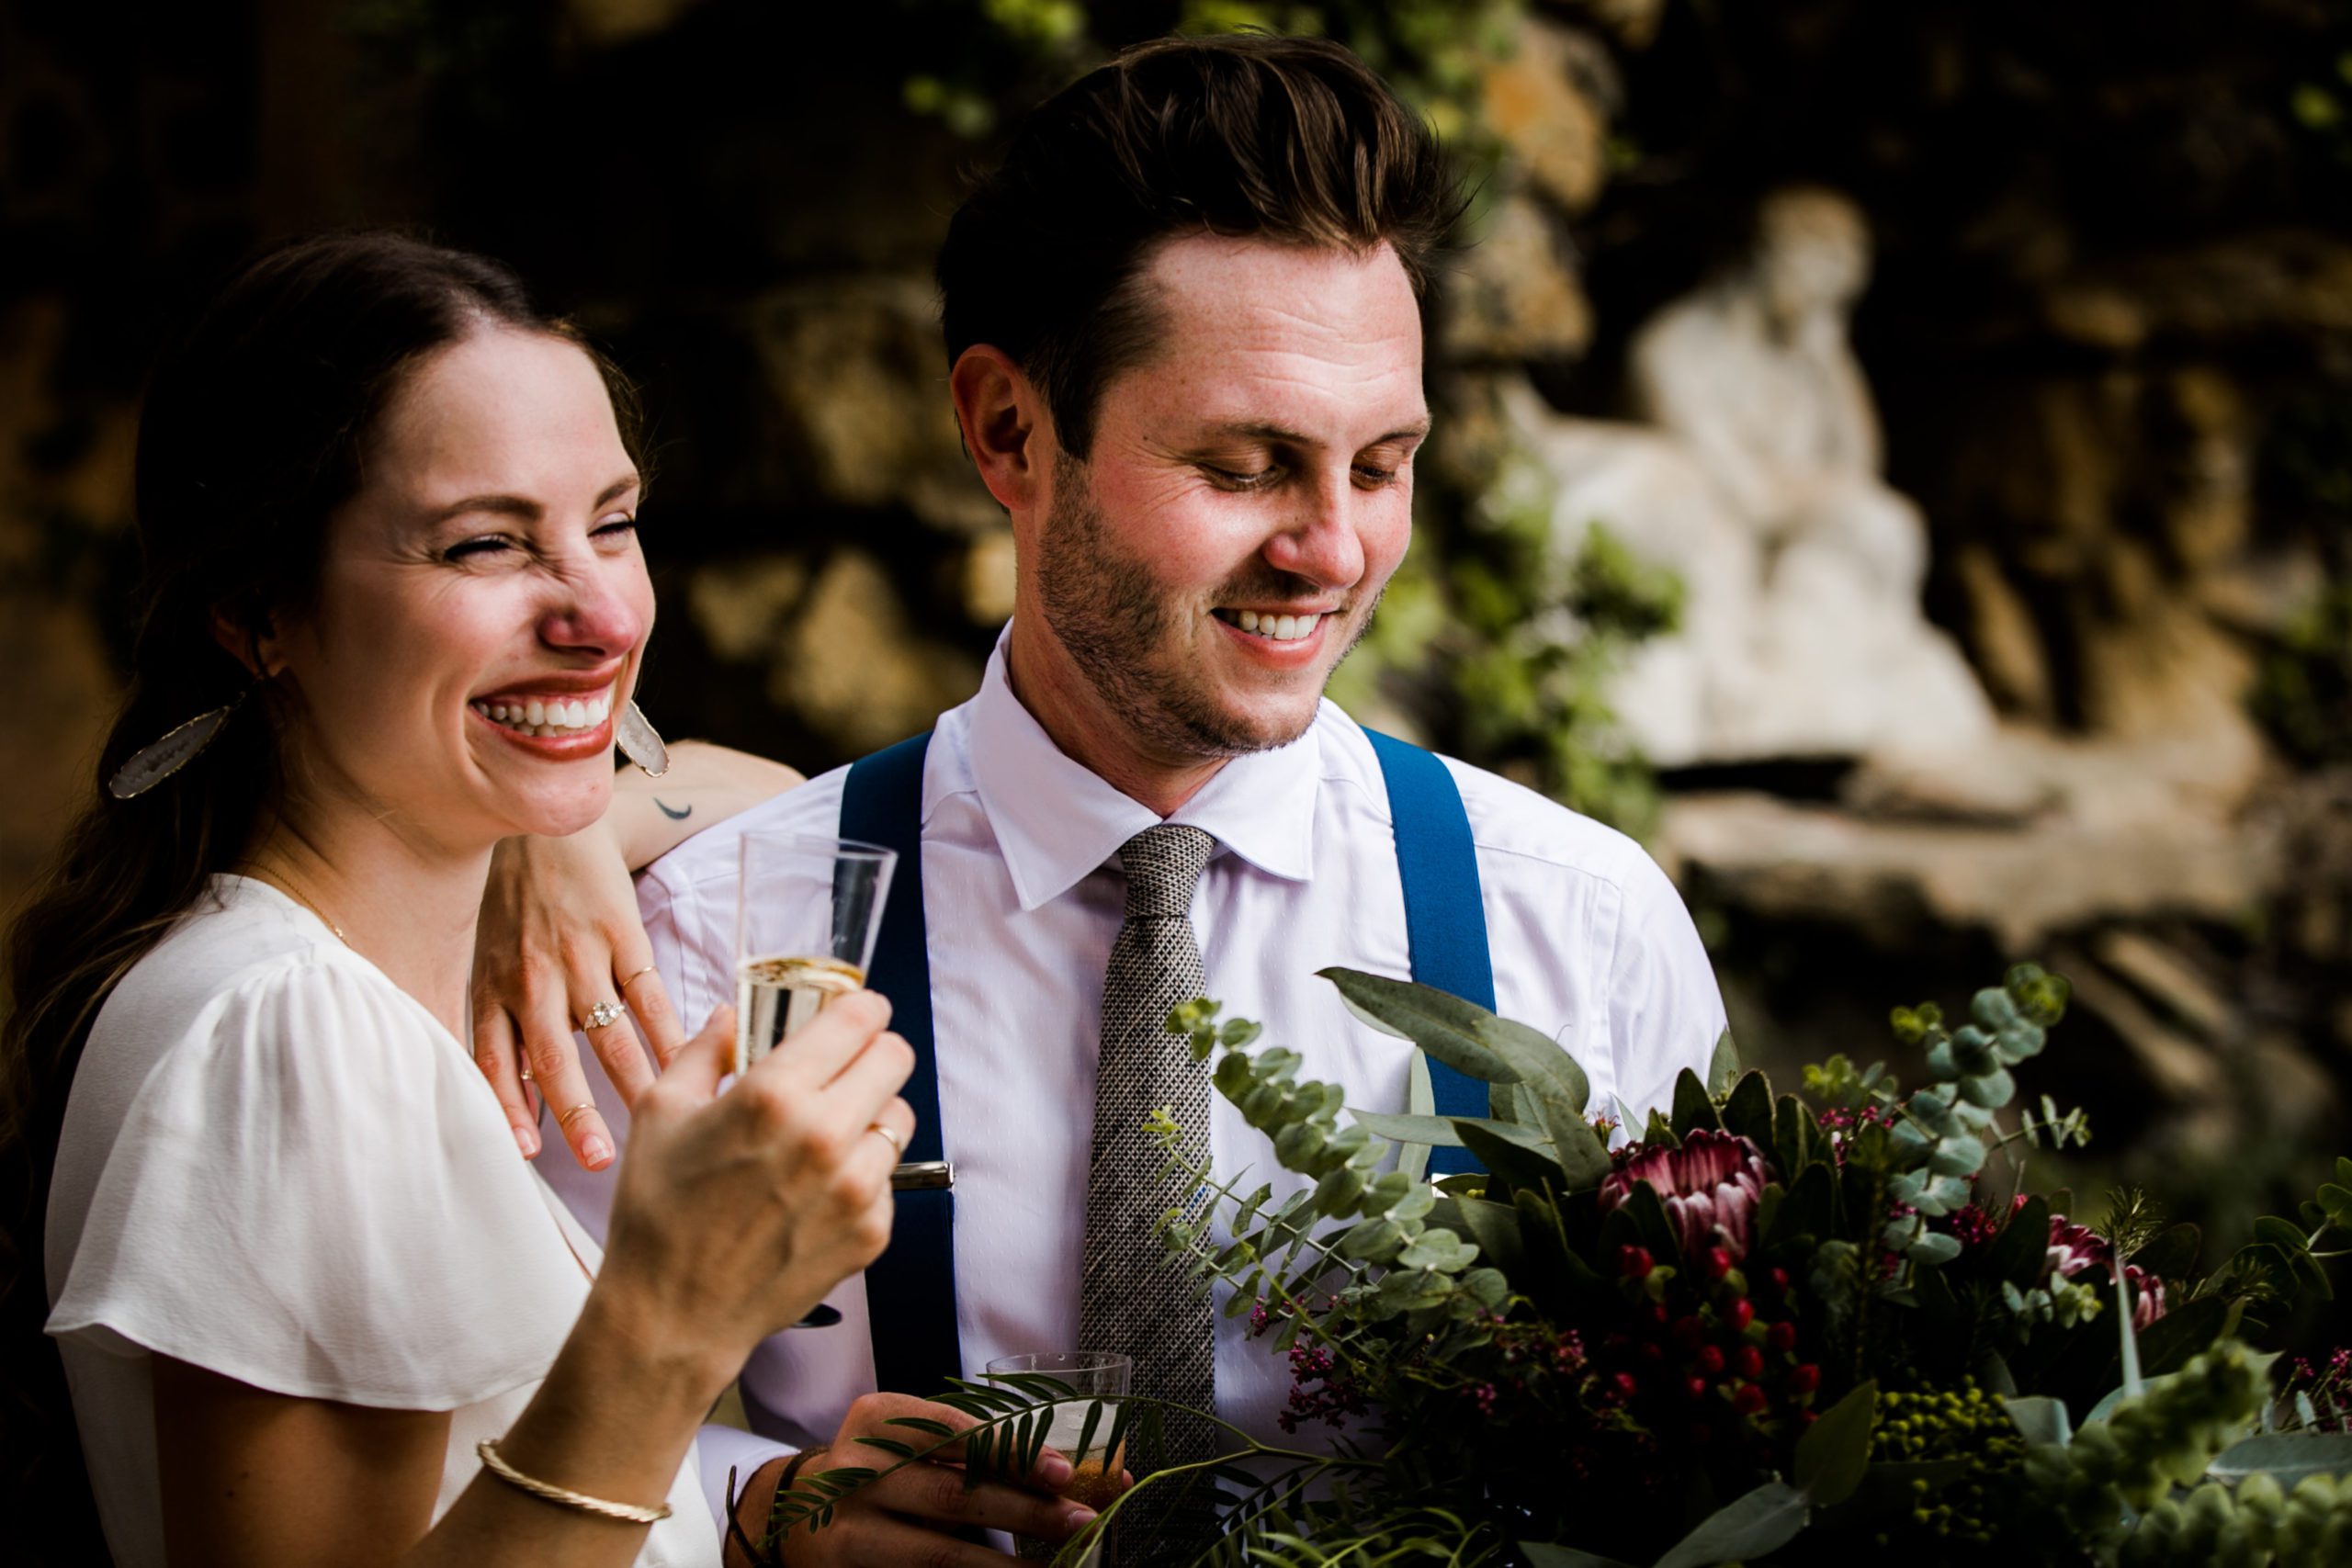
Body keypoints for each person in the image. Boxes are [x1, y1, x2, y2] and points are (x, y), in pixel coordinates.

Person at [486, 34, 1728, 1565]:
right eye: (1245, 465)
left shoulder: (1585, 925)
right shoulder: (710, 934)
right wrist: (752, 1502)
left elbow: (1710, 1464)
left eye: (1382, 464)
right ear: (1011, 431)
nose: (1334, 551)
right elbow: (510, 1430)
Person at [0, 232, 929, 1568]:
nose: (604, 617)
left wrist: (763, 1513)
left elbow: (755, 785)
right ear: (259, 610)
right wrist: (672, 1318)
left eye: (612, 522)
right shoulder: (298, 1039)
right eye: (485, 544)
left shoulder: (292, 975)